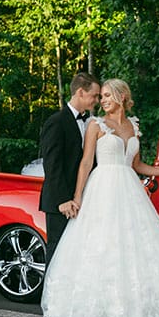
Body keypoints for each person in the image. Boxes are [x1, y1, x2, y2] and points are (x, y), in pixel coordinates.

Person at [40, 78, 159, 317]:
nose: (102, 101)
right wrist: (77, 196)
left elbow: (137, 165)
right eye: (100, 96)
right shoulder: (96, 125)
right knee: (101, 246)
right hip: (101, 188)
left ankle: (136, 307)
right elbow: (85, 163)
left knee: (131, 246)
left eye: (106, 96)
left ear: (121, 97)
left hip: (129, 190)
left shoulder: (133, 126)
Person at [39, 72, 101, 267]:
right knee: (58, 251)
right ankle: (49, 297)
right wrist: (63, 200)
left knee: (76, 253)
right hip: (61, 201)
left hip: (83, 198)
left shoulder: (91, 124)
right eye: (94, 96)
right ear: (81, 92)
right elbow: (52, 165)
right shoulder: (56, 121)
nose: (97, 101)